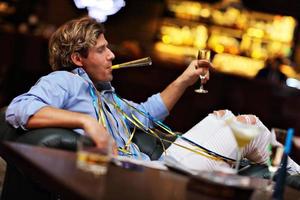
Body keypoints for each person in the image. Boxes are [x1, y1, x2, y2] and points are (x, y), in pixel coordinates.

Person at [5, 17, 300, 174]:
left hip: (156, 165)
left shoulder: (105, 95)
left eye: (108, 47)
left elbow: (147, 114)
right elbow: (18, 109)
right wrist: (87, 123)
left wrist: (185, 78)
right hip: (148, 172)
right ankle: (292, 173)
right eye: (101, 50)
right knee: (245, 128)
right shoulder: (64, 81)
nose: (111, 55)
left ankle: (289, 173)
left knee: (239, 121)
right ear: (78, 59)